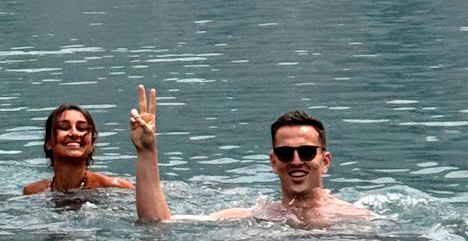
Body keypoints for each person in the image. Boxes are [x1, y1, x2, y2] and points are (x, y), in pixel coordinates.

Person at [129, 88, 372, 227]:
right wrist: (147, 151)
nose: (296, 160)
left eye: (307, 152)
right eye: (285, 153)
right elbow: (157, 223)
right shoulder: (257, 214)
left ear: (325, 161)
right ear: (273, 161)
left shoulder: (354, 218)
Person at [23, 102, 134, 194]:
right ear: (49, 142)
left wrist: (146, 149)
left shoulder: (116, 188)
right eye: (64, 127)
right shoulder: (33, 192)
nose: (74, 133)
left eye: (82, 128)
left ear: (91, 145)